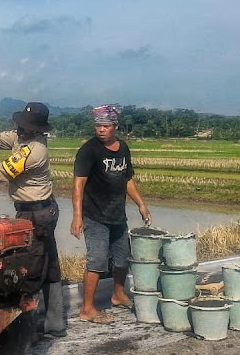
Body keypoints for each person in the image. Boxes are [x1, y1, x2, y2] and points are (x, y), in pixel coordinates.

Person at [0, 102, 67, 339]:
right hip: (40, 210)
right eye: (20, 125)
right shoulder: (22, 138)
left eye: (25, 127)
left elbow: (0, 172)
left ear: (38, 130)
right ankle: (55, 323)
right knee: (49, 264)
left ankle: (28, 328)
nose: (20, 129)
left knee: (29, 269)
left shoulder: (34, 151)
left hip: (36, 214)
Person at [70, 105, 152, 324]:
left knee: (122, 257)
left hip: (117, 214)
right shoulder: (89, 150)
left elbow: (127, 180)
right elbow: (78, 185)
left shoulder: (123, 148)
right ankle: (87, 308)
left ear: (115, 126)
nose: (101, 130)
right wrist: (77, 216)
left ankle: (118, 294)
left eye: (106, 126)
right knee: (97, 260)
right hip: (95, 215)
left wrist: (141, 204)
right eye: (98, 126)